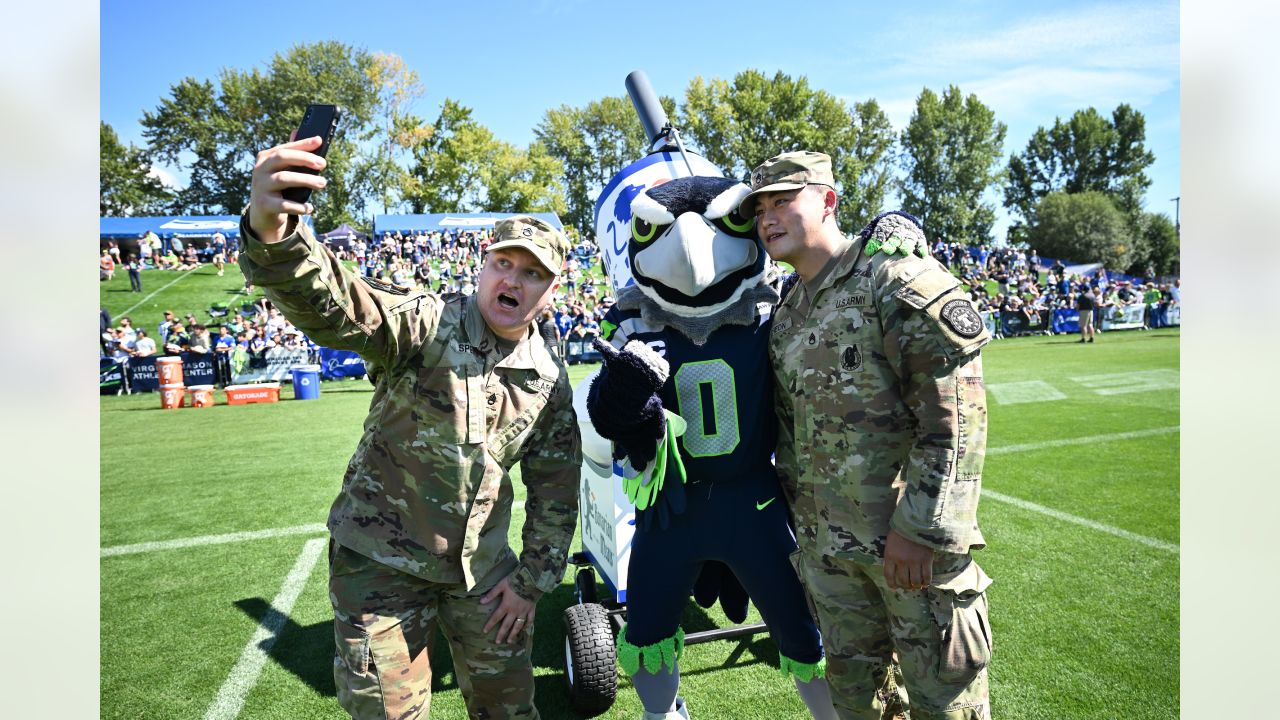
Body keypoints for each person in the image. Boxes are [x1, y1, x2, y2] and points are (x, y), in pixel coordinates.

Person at [240, 133, 580, 720]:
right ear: (483, 266)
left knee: (510, 711)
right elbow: (337, 306)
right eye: (503, 263)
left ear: (550, 291)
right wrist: (274, 230)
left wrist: (532, 581)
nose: (513, 280)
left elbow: (556, 488)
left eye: (531, 273)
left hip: (482, 574)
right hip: (382, 568)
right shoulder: (426, 324)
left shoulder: (547, 378)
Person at [741, 151, 993, 720]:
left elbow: (956, 417)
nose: (768, 218)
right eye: (760, 208)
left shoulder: (893, 278)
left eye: (783, 200)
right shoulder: (787, 309)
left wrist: (923, 530)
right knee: (860, 706)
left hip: (910, 552)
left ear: (828, 202)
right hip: (831, 554)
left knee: (944, 704)